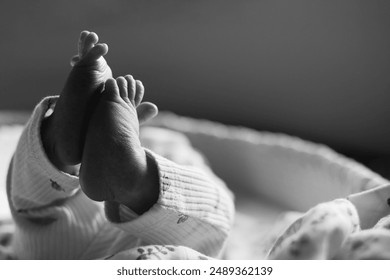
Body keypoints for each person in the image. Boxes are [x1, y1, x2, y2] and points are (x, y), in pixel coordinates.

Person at [6, 31, 235, 260]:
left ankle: (53, 154)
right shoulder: (180, 151)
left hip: (48, 246)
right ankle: (142, 182)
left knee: (34, 204)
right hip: (146, 250)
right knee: (217, 213)